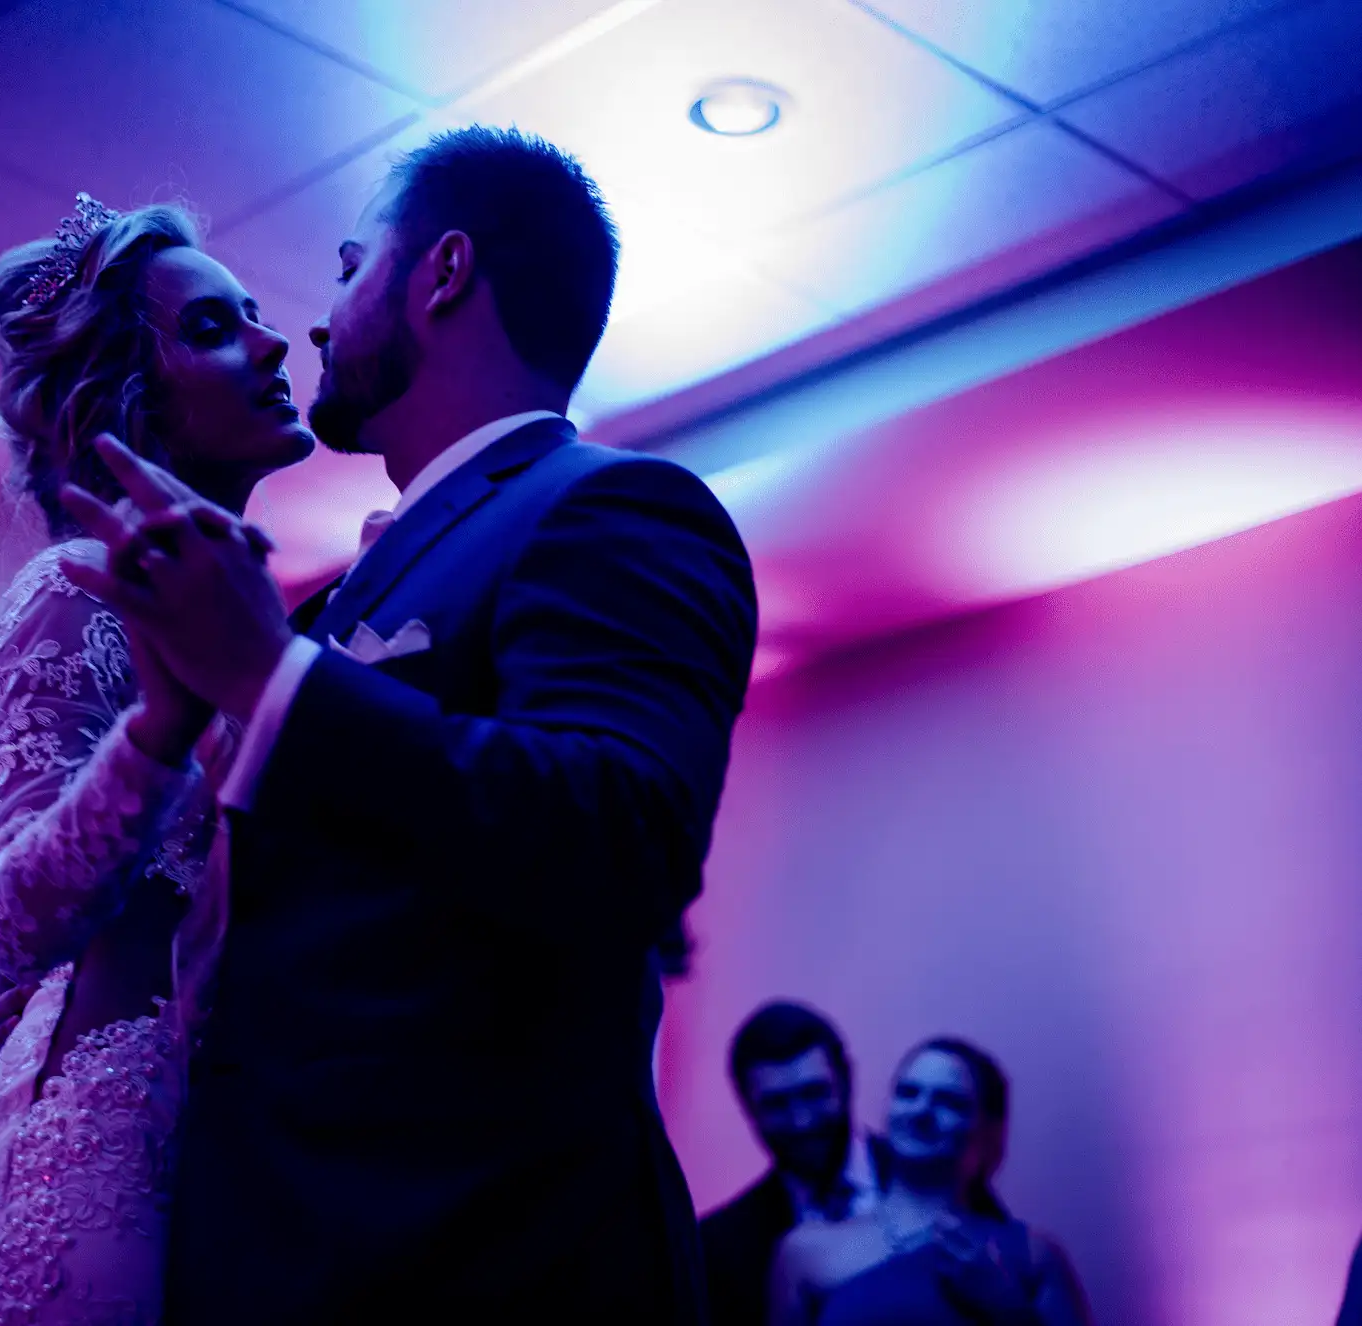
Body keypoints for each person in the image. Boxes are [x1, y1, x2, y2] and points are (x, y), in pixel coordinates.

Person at [59, 125, 759, 1323]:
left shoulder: (614, 508)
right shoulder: (335, 596)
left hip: (483, 1268)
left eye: (346, 265)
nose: (319, 321)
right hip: (283, 1258)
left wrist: (275, 679)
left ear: (438, 273)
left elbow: (625, 833)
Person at [0, 194, 314, 1326]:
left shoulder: (247, 630)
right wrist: (159, 731)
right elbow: (12, 917)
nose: (272, 341)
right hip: (107, 1157)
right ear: (126, 401)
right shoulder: (71, 591)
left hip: (224, 1144)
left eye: (251, 315)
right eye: (210, 329)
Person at [770, 1039, 1091, 1326]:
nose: (922, 1110)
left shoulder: (1034, 1256)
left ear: (989, 1129)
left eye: (949, 1102)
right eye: (908, 1093)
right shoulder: (807, 1251)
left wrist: (1007, 1307)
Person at [700, 1002, 883, 1326]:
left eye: (814, 1093)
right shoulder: (719, 1245)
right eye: (776, 1104)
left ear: (846, 1081)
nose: (801, 1121)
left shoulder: (938, 1182)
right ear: (747, 1109)